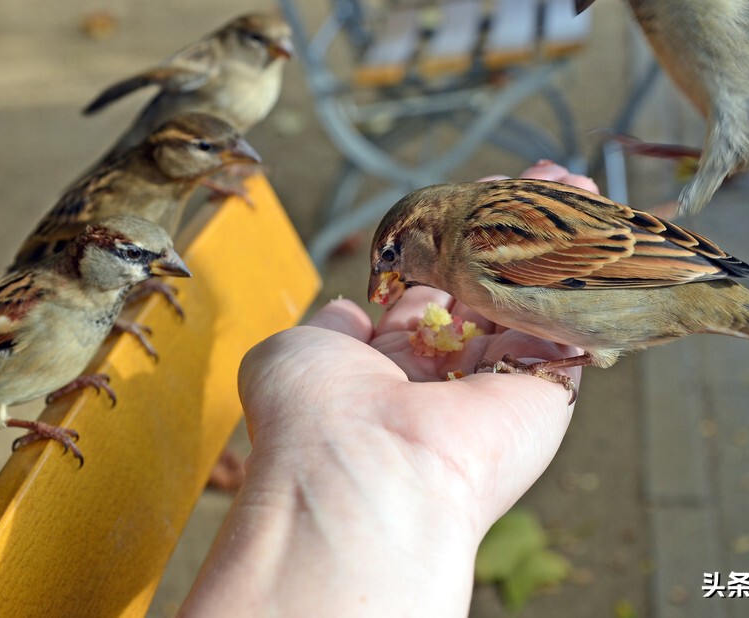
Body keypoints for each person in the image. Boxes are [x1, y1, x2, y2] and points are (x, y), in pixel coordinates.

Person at [179, 165, 593, 617]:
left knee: (584, 344)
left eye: (392, 256)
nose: (383, 279)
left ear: (431, 231)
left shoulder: (483, 244)